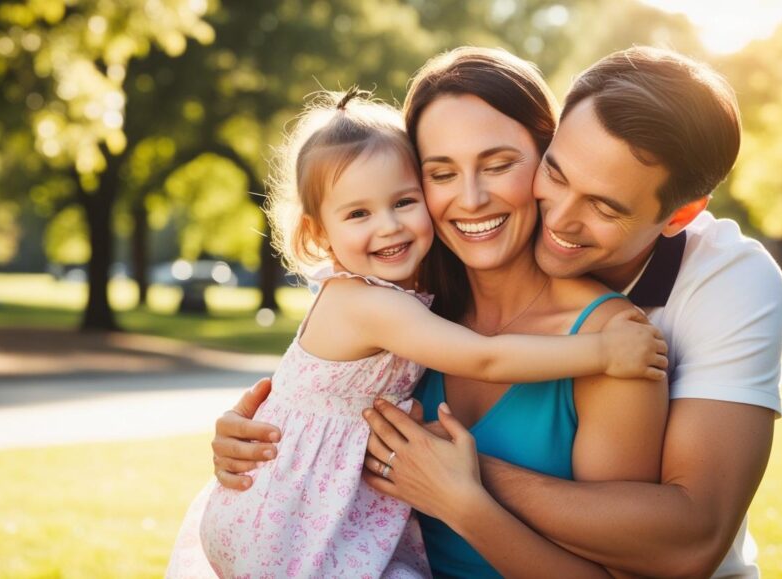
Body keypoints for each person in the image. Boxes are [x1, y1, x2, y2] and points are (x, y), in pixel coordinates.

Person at [166, 87, 667, 578]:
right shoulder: (388, 304)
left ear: (546, 167)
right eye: (442, 172)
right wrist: (601, 354)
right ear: (318, 233)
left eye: (402, 202)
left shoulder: (407, 300)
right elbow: (484, 357)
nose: (388, 227)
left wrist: (465, 501)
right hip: (287, 525)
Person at [359, 47, 782, 577]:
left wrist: (458, 483)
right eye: (556, 176)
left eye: (605, 207)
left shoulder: (721, 284)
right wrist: (266, 430)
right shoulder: (415, 284)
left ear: (677, 215)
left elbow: (692, 537)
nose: (557, 220)